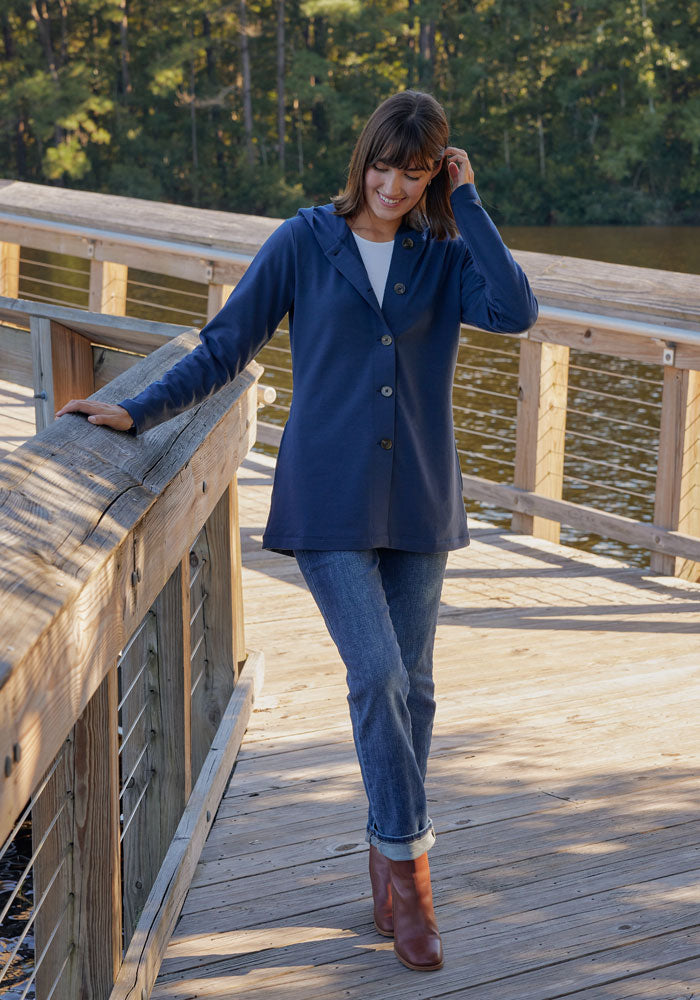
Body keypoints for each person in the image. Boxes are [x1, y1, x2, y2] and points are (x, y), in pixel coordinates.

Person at [56, 89, 538, 972]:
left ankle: (384, 848)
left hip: (421, 499)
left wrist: (469, 203)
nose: (395, 186)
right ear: (364, 159)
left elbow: (515, 311)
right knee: (379, 672)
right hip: (326, 501)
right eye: (385, 166)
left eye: (418, 172)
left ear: (437, 173)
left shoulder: (442, 251)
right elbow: (224, 345)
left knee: (414, 688)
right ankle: (411, 871)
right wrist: (135, 409)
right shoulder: (304, 241)